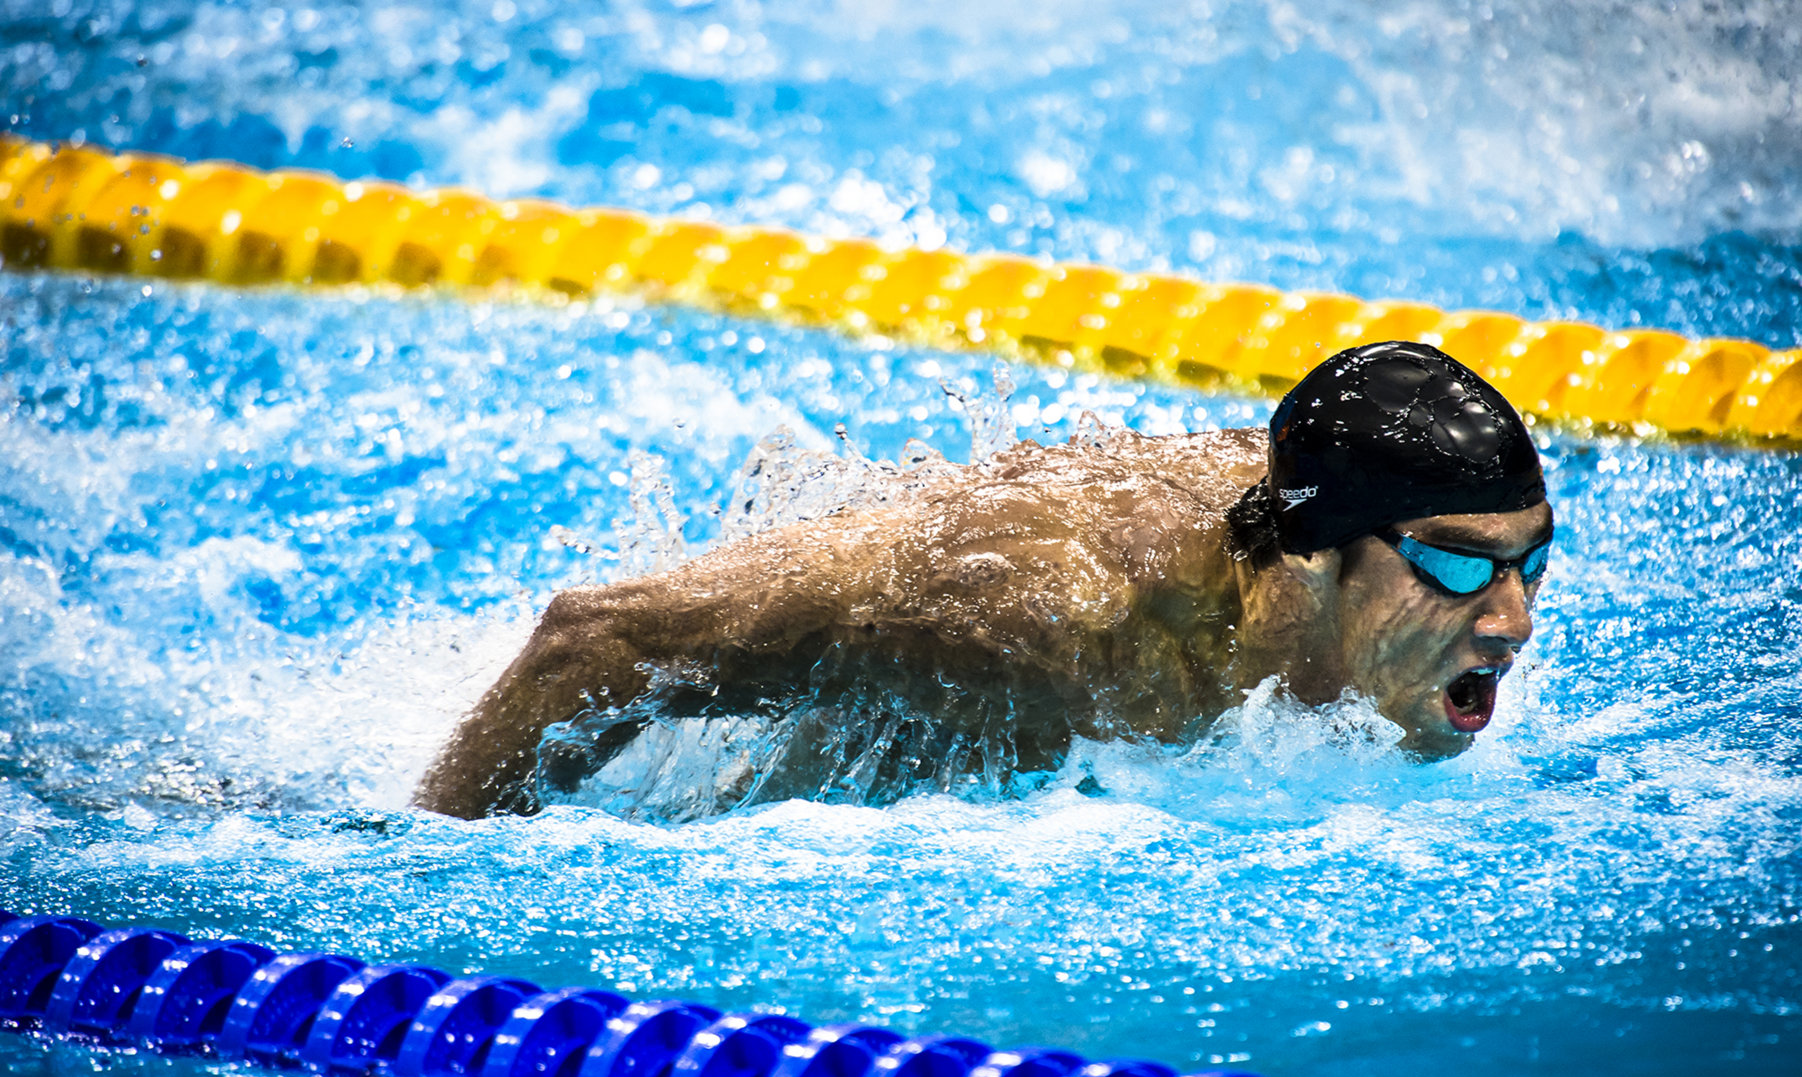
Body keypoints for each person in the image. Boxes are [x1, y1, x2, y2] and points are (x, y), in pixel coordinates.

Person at [413, 341, 1554, 820]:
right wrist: (435, 864)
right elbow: (592, 638)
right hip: (935, 617)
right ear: (1312, 563)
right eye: (1457, 564)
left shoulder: (1368, 619)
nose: (1509, 619)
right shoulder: (1054, 610)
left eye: (1529, 563)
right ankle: (795, 494)